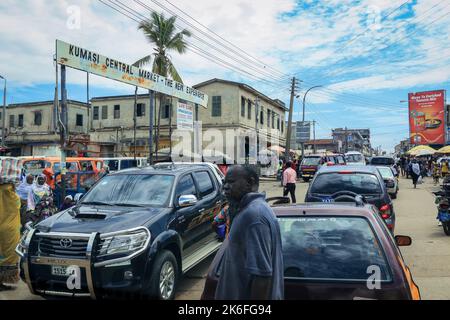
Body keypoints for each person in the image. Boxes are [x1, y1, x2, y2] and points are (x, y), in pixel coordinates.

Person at [215, 165, 284, 300]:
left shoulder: (254, 216)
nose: (226, 187)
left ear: (250, 183)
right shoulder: (248, 210)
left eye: (231, 182)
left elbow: (262, 276)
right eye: (225, 182)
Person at [0, 165, 21, 291]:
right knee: (9, 253)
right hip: (9, 231)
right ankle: (2, 279)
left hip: (6, 229)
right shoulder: (12, 197)